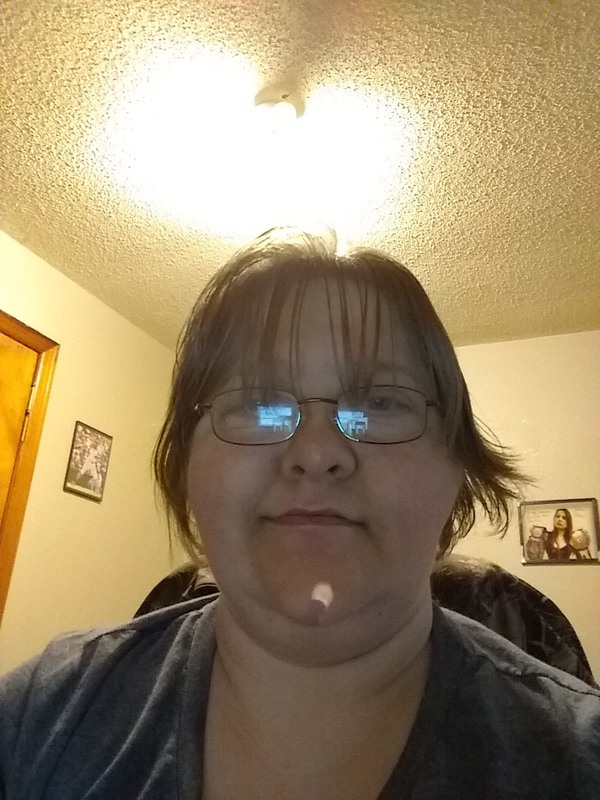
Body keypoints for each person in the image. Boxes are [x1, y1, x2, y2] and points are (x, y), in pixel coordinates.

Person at [0, 229, 598, 798]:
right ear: (186, 466)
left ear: (458, 466)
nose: (315, 453)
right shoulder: (41, 715)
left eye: (379, 402)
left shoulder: (580, 759)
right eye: (259, 403)